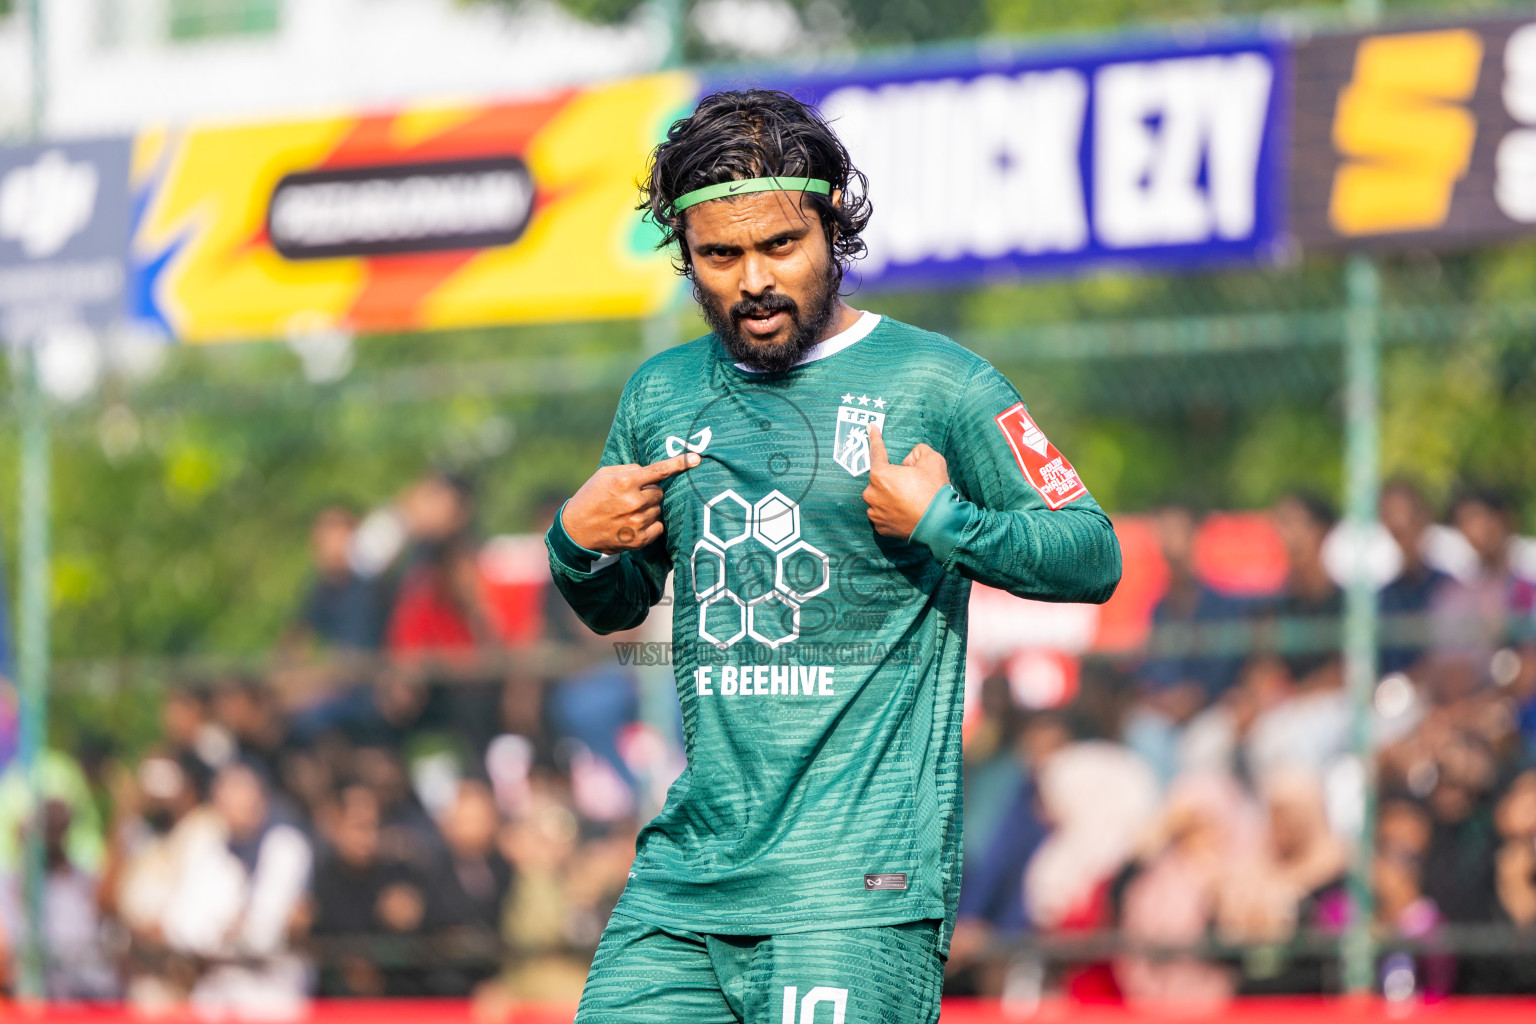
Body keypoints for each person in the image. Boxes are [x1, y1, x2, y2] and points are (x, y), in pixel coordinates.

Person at [544, 89, 1122, 1023]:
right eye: (720, 256)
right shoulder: (658, 394)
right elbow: (617, 605)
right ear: (688, 259)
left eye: (782, 245)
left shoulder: (937, 382)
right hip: (685, 888)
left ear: (833, 232)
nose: (753, 280)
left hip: (855, 895)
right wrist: (574, 543)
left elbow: (1091, 551)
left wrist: (947, 524)